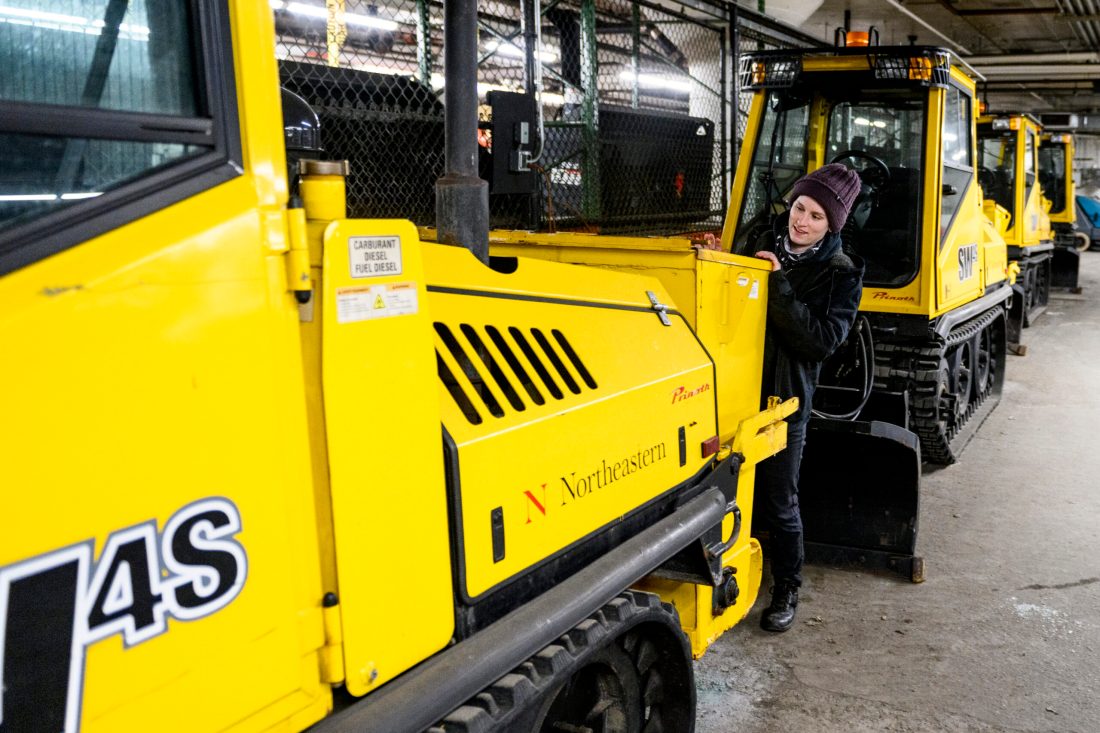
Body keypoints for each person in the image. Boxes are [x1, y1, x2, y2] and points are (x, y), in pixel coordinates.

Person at [752, 163, 865, 632]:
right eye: (800, 207)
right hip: (732, 389)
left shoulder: (841, 273)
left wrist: (776, 284)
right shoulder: (757, 239)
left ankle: (787, 588)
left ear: (832, 224)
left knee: (780, 499)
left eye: (817, 216)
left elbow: (819, 340)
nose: (802, 221)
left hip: (786, 400)